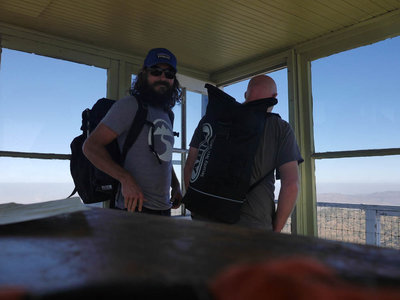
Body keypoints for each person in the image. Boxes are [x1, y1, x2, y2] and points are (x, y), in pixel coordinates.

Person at [184, 75, 303, 231]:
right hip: (252, 229)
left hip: (203, 222)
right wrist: (276, 231)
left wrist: (198, 207)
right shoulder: (280, 128)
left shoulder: (211, 119)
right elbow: (291, 185)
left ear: (246, 95)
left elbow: (190, 165)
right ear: (274, 98)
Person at [83, 48, 182, 216]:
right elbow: (90, 147)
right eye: (156, 71)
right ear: (144, 74)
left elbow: (162, 154)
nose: (163, 78)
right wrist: (125, 178)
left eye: (169, 74)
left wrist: (176, 184)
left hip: (163, 208)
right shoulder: (129, 105)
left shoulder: (168, 114)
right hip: (133, 208)